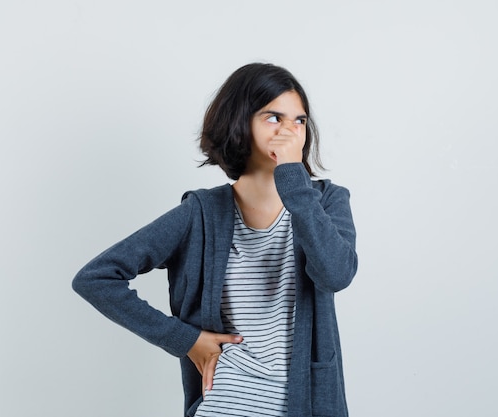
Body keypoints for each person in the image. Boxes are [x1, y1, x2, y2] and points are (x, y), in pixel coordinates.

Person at [72, 63, 358, 417]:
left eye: (299, 121)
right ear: (240, 123)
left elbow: (336, 274)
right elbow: (96, 278)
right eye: (274, 118)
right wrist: (185, 340)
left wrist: (293, 180)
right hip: (225, 405)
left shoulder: (326, 201)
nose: (290, 132)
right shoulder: (202, 213)